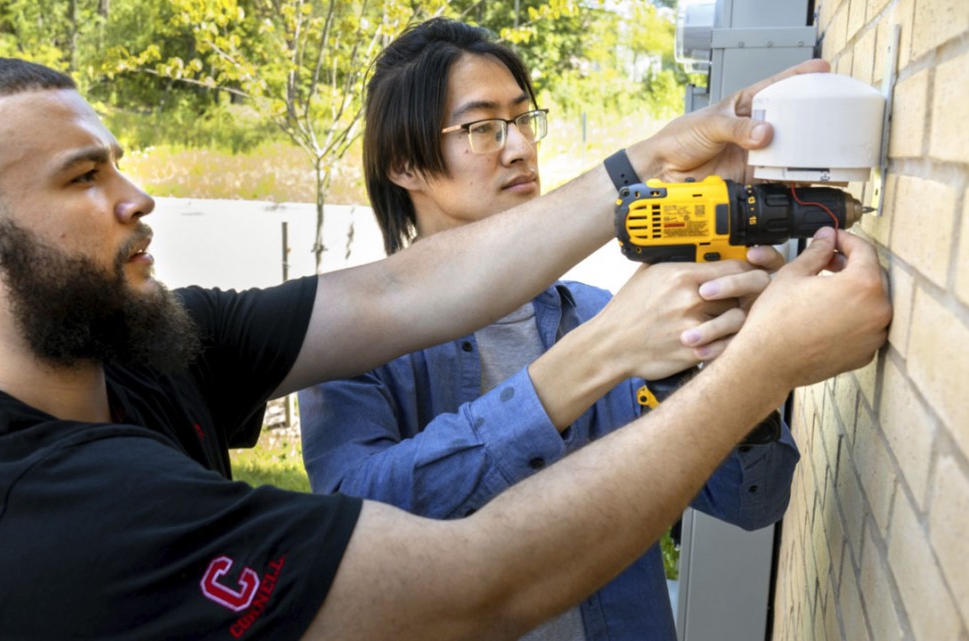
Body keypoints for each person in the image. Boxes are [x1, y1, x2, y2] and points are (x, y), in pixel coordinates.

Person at [0, 54, 889, 641]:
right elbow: (478, 582)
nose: (137, 195)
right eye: (81, 178)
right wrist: (747, 363)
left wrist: (647, 161)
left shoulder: (146, 350)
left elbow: (401, 289)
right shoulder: (36, 511)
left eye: (116, 161)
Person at [299, 19, 798, 640]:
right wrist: (587, 363)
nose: (519, 148)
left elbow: (752, 502)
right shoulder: (348, 344)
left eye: (523, 119)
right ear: (404, 164)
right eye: (482, 128)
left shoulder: (596, 312)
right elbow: (354, 521)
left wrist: (732, 366)